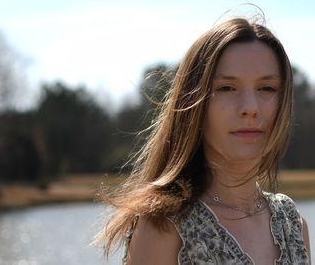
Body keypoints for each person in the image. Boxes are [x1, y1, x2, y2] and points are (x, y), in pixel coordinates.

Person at [95, 16, 311, 264]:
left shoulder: (292, 224)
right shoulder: (164, 226)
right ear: (192, 104)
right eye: (226, 88)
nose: (250, 108)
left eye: (267, 88)